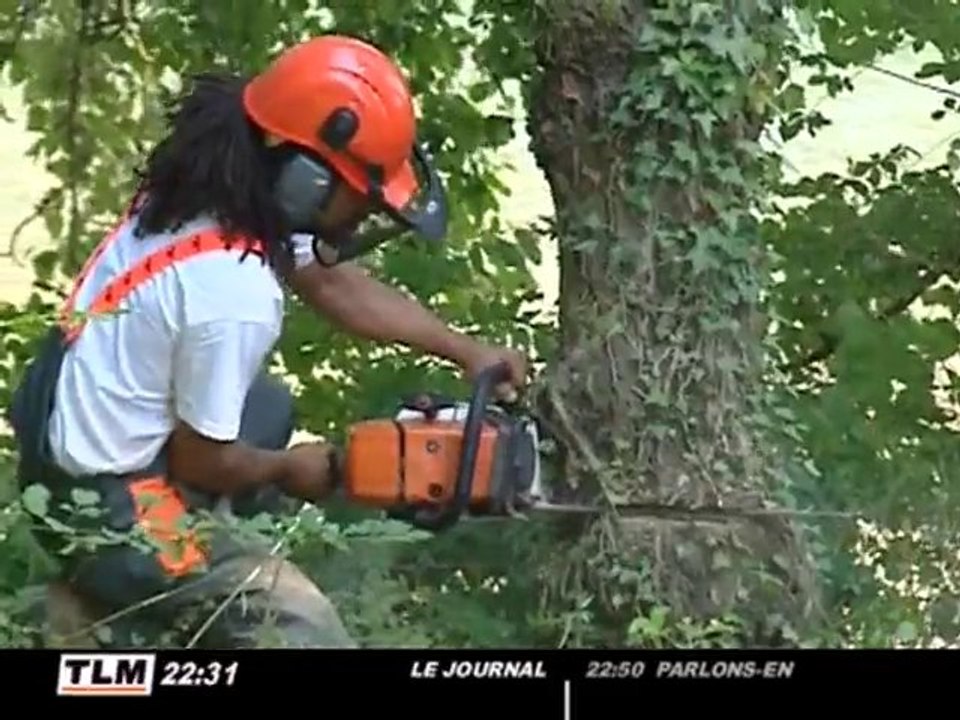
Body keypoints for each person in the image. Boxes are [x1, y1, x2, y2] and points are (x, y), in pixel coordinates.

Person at [8, 35, 528, 649]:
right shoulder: (233, 291)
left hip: (59, 421)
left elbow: (334, 285)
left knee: (268, 406)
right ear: (305, 180)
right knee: (308, 631)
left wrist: (465, 350)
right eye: (358, 196)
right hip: (107, 500)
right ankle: (106, 597)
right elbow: (206, 460)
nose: (362, 214)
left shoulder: (211, 187)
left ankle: (160, 577)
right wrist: (294, 469)